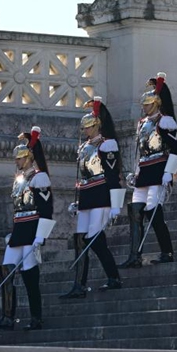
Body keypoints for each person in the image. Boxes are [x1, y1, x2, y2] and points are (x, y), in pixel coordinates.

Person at [0, 127, 54, 331]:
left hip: (32, 230)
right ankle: (7, 316)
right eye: (16, 158)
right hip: (18, 231)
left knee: (30, 275)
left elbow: (46, 209)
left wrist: (40, 236)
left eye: (20, 158)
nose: (17, 161)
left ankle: (36, 317)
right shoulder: (19, 180)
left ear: (29, 157)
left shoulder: (39, 178)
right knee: (6, 270)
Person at [60, 97, 125, 297]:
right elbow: (83, 176)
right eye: (84, 128)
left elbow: (113, 176)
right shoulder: (85, 147)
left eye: (88, 127)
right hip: (88, 196)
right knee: (81, 240)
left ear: (97, 125)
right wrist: (78, 201)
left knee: (95, 239)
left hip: (102, 195)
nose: (85, 131)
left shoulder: (108, 145)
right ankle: (79, 284)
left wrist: (116, 204)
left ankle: (113, 276)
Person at [123, 73, 177, 265]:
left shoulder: (165, 122)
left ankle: (167, 251)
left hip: (159, 169)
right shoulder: (143, 124)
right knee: (135, 212)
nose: (144, 107)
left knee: (153, 211)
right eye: (144, 104)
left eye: (148, 104)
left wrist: (169, 172)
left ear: (156, 103)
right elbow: (139, 151)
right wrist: (136, 171)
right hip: (144, 171)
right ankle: (135, 255)